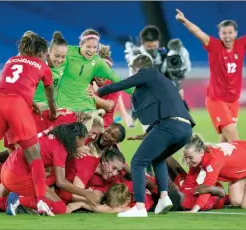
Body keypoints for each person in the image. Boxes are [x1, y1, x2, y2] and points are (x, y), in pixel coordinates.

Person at [96, 54, 195, 217]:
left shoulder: (148, 72)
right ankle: (164, 198)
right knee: (158, 158)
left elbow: (122, 84)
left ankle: (140, 207)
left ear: (137, 69)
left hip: (168, 125)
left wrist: (100, 91)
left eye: (133, 72)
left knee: (137, 162)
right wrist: (147, 134)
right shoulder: (163, 82)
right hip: (184, 129)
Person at [0, 32, 57, 212]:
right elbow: (50, 96)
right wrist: (52, 112)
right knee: (34, 157)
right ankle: (41, 202)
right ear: (41, 54)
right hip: (16, 107)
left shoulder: (11, 60)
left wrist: (31, 103)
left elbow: (13, 85)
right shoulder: (43, 66)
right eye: (46, 55)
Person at [176, 9, 246, 142]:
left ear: (235, 33)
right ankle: (245, 161)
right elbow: (198, 32)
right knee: (234, 139)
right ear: (219, 34)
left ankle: (216, 163)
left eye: (230, 32)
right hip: (216, 100)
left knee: (224, 142)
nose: (227, 36)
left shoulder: (242, 44)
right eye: (224, 33)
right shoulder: (214, 46)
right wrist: (184, 21)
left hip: (234, 101)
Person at [182, 133, 246, 212]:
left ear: (201, 152)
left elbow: (208, 185)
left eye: (190, 157)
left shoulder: (213, 160)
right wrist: (181, 195)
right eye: (186, 158)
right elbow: (189, 181)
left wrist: (195, 208)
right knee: (236, 202)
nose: (188, 161)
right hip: (240, 163)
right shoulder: (197, 158)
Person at [56, 28, 132, 112]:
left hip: (84, 107)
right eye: (88, 46)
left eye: (94, 47)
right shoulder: (68, 51)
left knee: (94, 121)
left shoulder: (98, 62)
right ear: (81, 44)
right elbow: (50, 60)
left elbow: (118, 80)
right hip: (62, 105)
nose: (91, 50)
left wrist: (138, 92)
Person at [33, 31, 68, 110]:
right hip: (33, 106)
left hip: (51, 108)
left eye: (63, 57)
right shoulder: (36, 63)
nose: (59, 60)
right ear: (49, 51)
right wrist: (34, 104)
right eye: (57, 56)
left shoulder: (66, 62)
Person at [88, 44, 120, 128]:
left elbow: (109, 106)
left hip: (105, 127)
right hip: (87, 125)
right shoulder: (87, 80)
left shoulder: (114, 84)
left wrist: (92, 96)